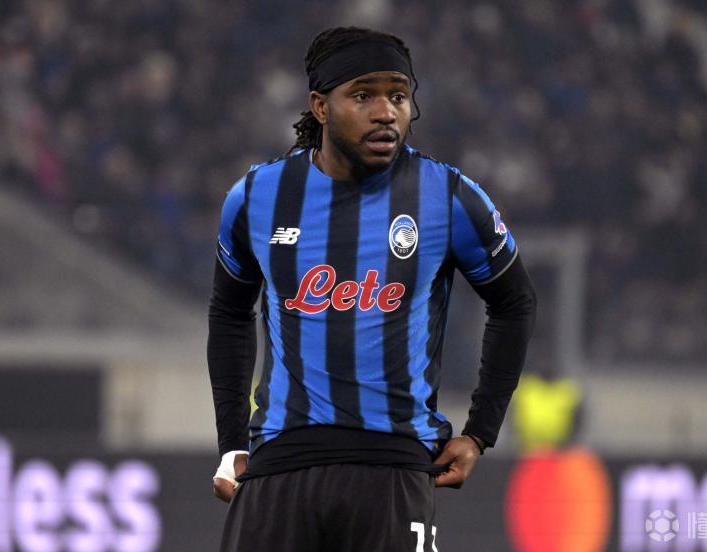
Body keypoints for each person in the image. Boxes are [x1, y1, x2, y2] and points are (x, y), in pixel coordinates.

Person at [207, 26, 537, 552]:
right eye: (363, 96)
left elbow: (515, 302)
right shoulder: (256, 196)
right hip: (280, 464)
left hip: (393, 466)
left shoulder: (448, 196)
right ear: (321, 107)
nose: (386, 112)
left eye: (398, 97)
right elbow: (229, 313)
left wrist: (480, 432)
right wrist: (231, 442)